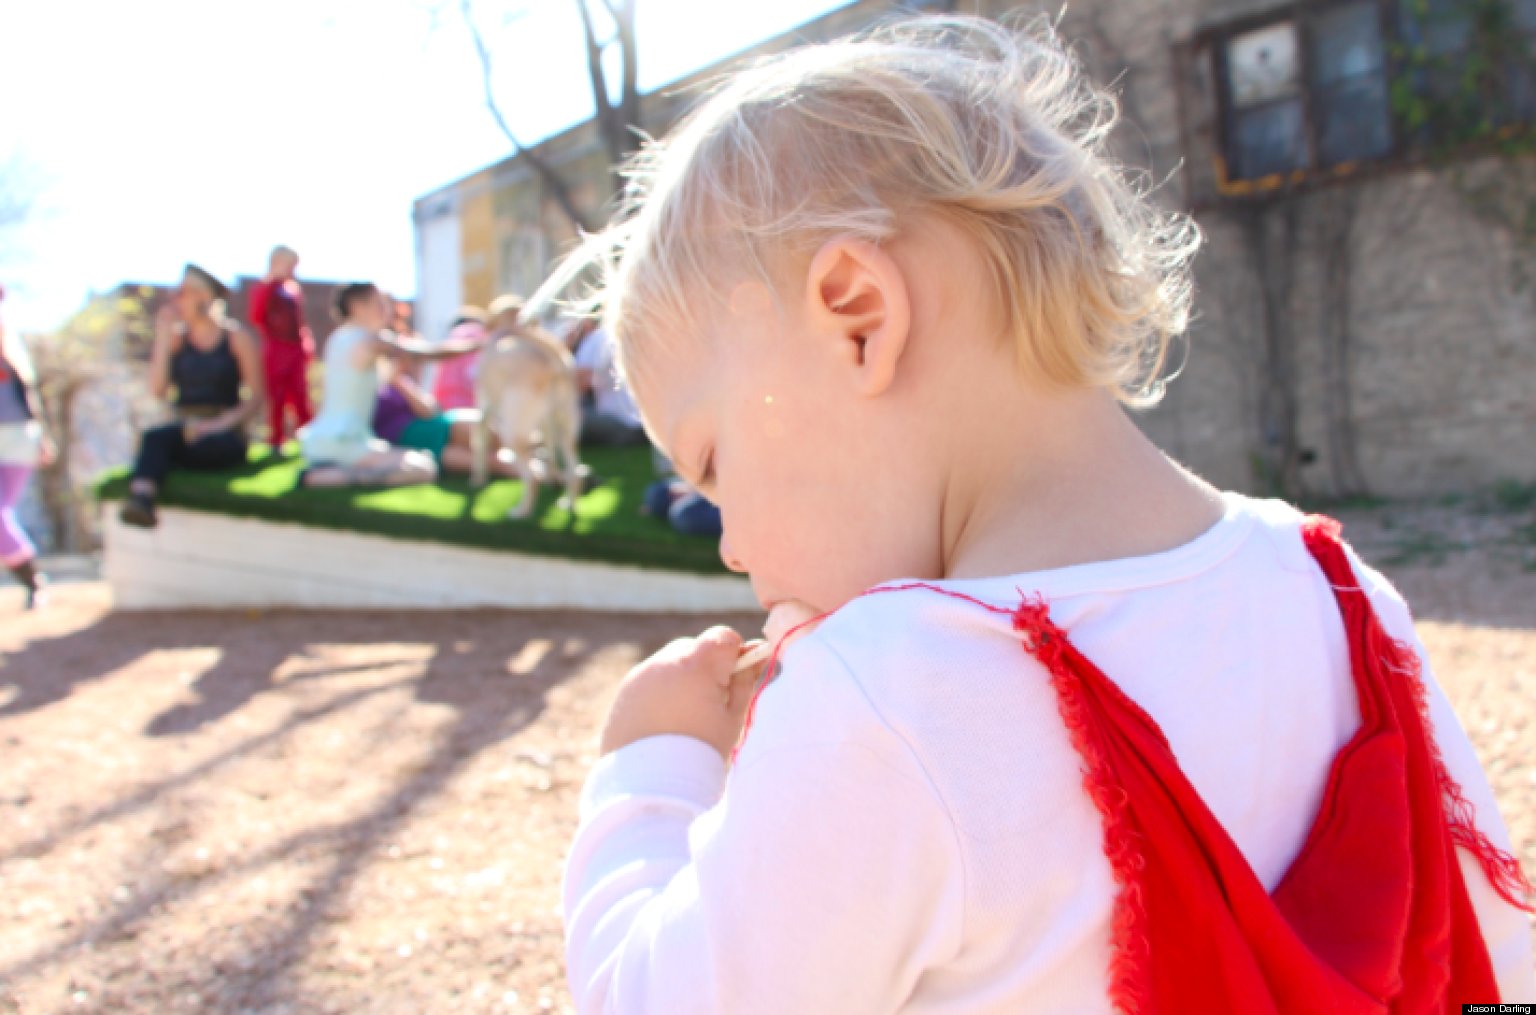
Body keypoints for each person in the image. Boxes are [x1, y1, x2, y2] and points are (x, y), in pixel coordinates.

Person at [554, 17, 1535, 1012]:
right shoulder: (1339, 593)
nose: (728, 544)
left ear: (858, 318)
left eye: (713, 463)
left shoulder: (887, 694)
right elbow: (1496, 959)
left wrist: (651, 769)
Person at [299, 282, 483, 488]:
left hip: (328, 440)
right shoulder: (366, 340)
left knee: (418, 460)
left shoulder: (339, 339)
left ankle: (326, 471)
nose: (385, 309)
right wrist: (475, 344)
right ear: (357, 306)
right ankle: (321, 478)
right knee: (423, 469)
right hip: (344, 442)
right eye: (379, 303)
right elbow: (425, 353)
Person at [120, 266, 263, 529]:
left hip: (223, 428)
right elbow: (158, 390)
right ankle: (141, 499)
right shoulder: (177, 339)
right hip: (185, 426)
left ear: (203, 297)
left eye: (183, 293)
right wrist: (163, 338)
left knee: (208, 447)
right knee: (155, 438)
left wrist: (220, 424)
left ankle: (165, 468)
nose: (177, 300)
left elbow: (255, 396)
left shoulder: (236, 338)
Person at [372, 348, 534, 481]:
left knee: (495, 439)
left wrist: (399, 381)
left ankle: (534, 462)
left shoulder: (400, 384)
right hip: (412, 438)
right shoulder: (385, 385)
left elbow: (431, 410)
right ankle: (536, 471)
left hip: (429, 429)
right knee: (491, 461)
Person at [0, 283, 56, 608]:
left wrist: (44, 434)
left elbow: (28, 394)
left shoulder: (10, 346)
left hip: (20, 436)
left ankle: (32, 582)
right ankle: (33, 581)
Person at [247, 245, 314, 446]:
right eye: (290, 265)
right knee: (276, 397)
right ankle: (276, 440)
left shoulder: (293, 290)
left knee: (301, 395)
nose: (293, 270)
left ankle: (309, 438)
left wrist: (306, 346)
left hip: (295, 351)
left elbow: (299, 322)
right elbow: (256, 316)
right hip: (276, 350)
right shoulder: (265, 288)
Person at [571, 322, 647, 447]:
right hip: (646, 427)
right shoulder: (632, 333)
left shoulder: (597, 338)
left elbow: (578, 385)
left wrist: (565, 345)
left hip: (620, 424)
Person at [429, 306, 488, 412]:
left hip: (442, 407)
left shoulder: (450, 340)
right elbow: (474, 375)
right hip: (465, 410)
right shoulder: (472, 334)